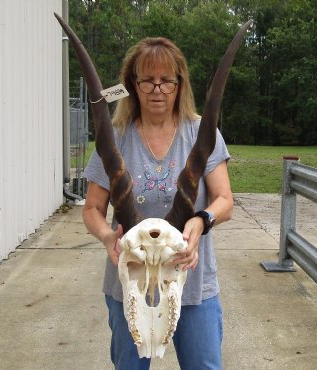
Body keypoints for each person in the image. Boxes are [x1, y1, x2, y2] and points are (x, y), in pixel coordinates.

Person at [82, 36, 233, 370]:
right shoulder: (117, 135)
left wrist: (200, 220)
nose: (157, 89)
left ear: (179, 85)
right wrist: (109, 237)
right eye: (147, 80)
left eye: (166, 80)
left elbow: (225, 199)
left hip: (192, 285)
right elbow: (92, 208)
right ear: (132, 85)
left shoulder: (199, 131)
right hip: (131, 285)